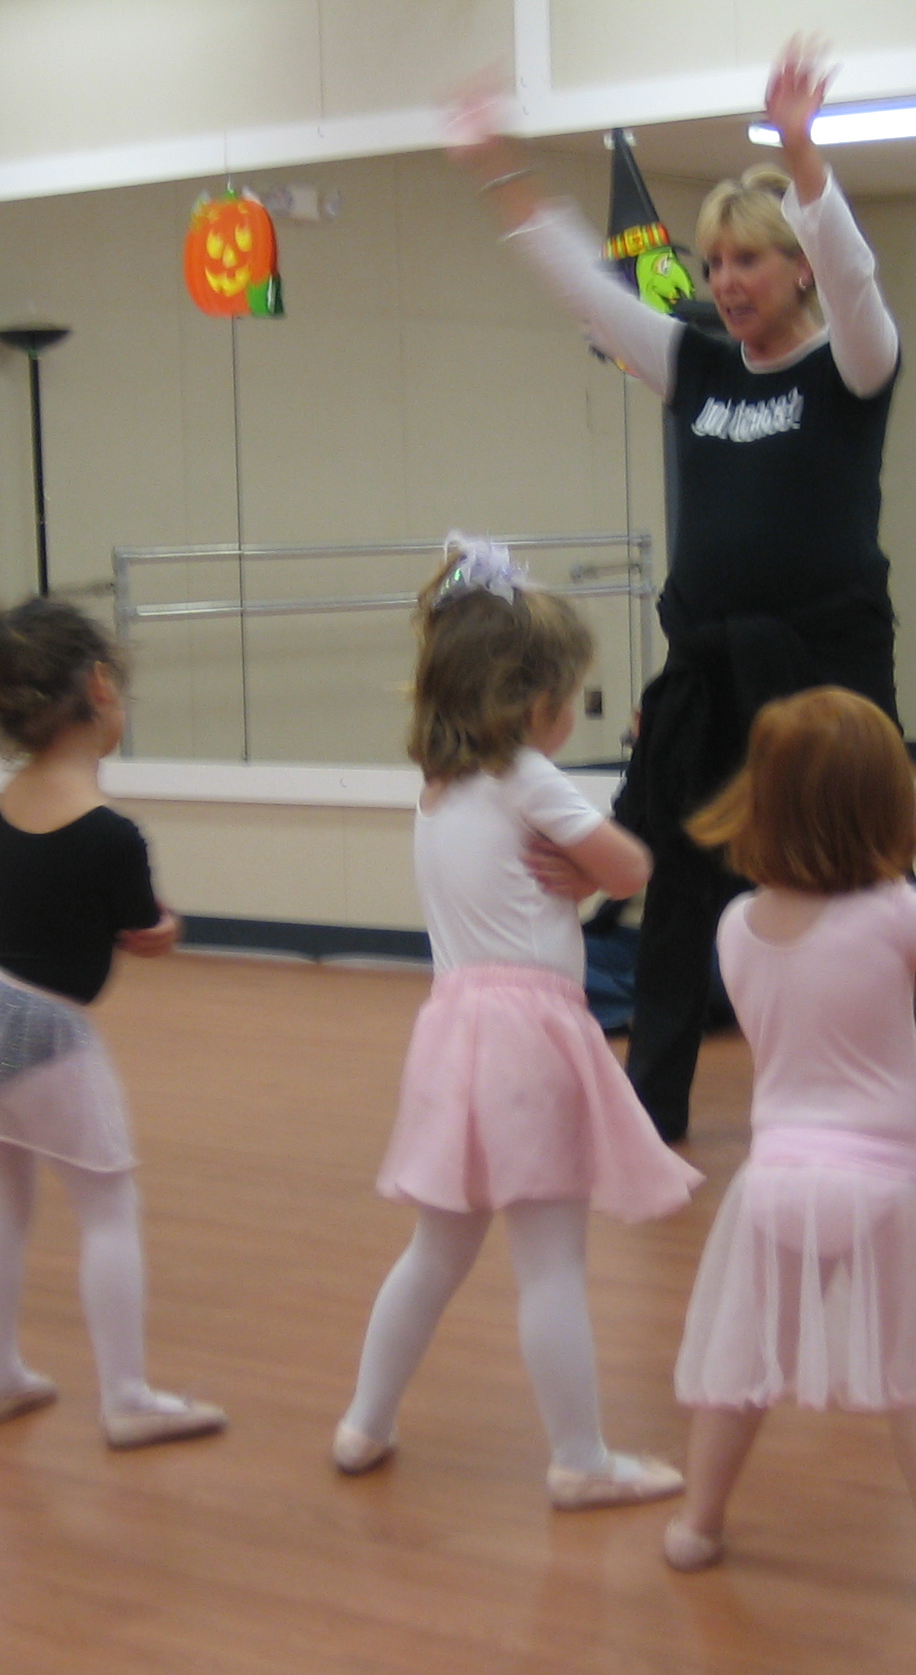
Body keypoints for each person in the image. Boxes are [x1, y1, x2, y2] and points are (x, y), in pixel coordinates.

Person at [450, 39, 916, 1182]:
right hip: (706, 669)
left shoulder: (853, 368)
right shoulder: (691, 367)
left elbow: (857, 280)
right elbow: (581, 286)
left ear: (796, 269)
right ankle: (650, 1109)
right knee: (679, 892)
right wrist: (501, 166)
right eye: (713, 261)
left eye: (748, 257)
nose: (727, 279)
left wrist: (801, 151)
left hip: (826, 671)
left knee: (870, 883)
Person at [334, 537, 703, 1508]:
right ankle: (580, 1460)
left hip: (453, 1034)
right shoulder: (528, 778)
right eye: (568, 696)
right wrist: (591, 872)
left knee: (436, 1251)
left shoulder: (437, 790)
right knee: (551, 1264)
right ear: (533, 702)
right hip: (529, 1038)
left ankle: (365, 1420)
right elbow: (635, 866)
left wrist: (574, 875)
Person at [662, 687, 916, 1602]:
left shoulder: (736, 926)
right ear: (884, 809)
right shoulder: (895, 915)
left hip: (775, 1183)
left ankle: (698, 1524)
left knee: (744, 1367)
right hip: (882, 1187)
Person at [0, 600, 226, 1449]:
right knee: (109, 1204)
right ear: (99, 687)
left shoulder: (14, 796)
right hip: (41, 1026)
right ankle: (126, 1397)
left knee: (4, 1195)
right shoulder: (111, 832)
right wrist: (166, 928)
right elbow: (142, 930)